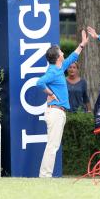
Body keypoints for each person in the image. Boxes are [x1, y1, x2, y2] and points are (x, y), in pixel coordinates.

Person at [36, 30, 89, 178]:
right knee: (52, 146)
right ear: (58, 56)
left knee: (53, 146)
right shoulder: (53, 71)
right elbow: (39, 82)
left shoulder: (60, 68)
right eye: (61, 52)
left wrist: (82, 44)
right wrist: (51, 94)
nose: (63, 53)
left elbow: (73, 55)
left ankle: (45, 175)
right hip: (55, 112)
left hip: (58, 112)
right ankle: (45, 176)